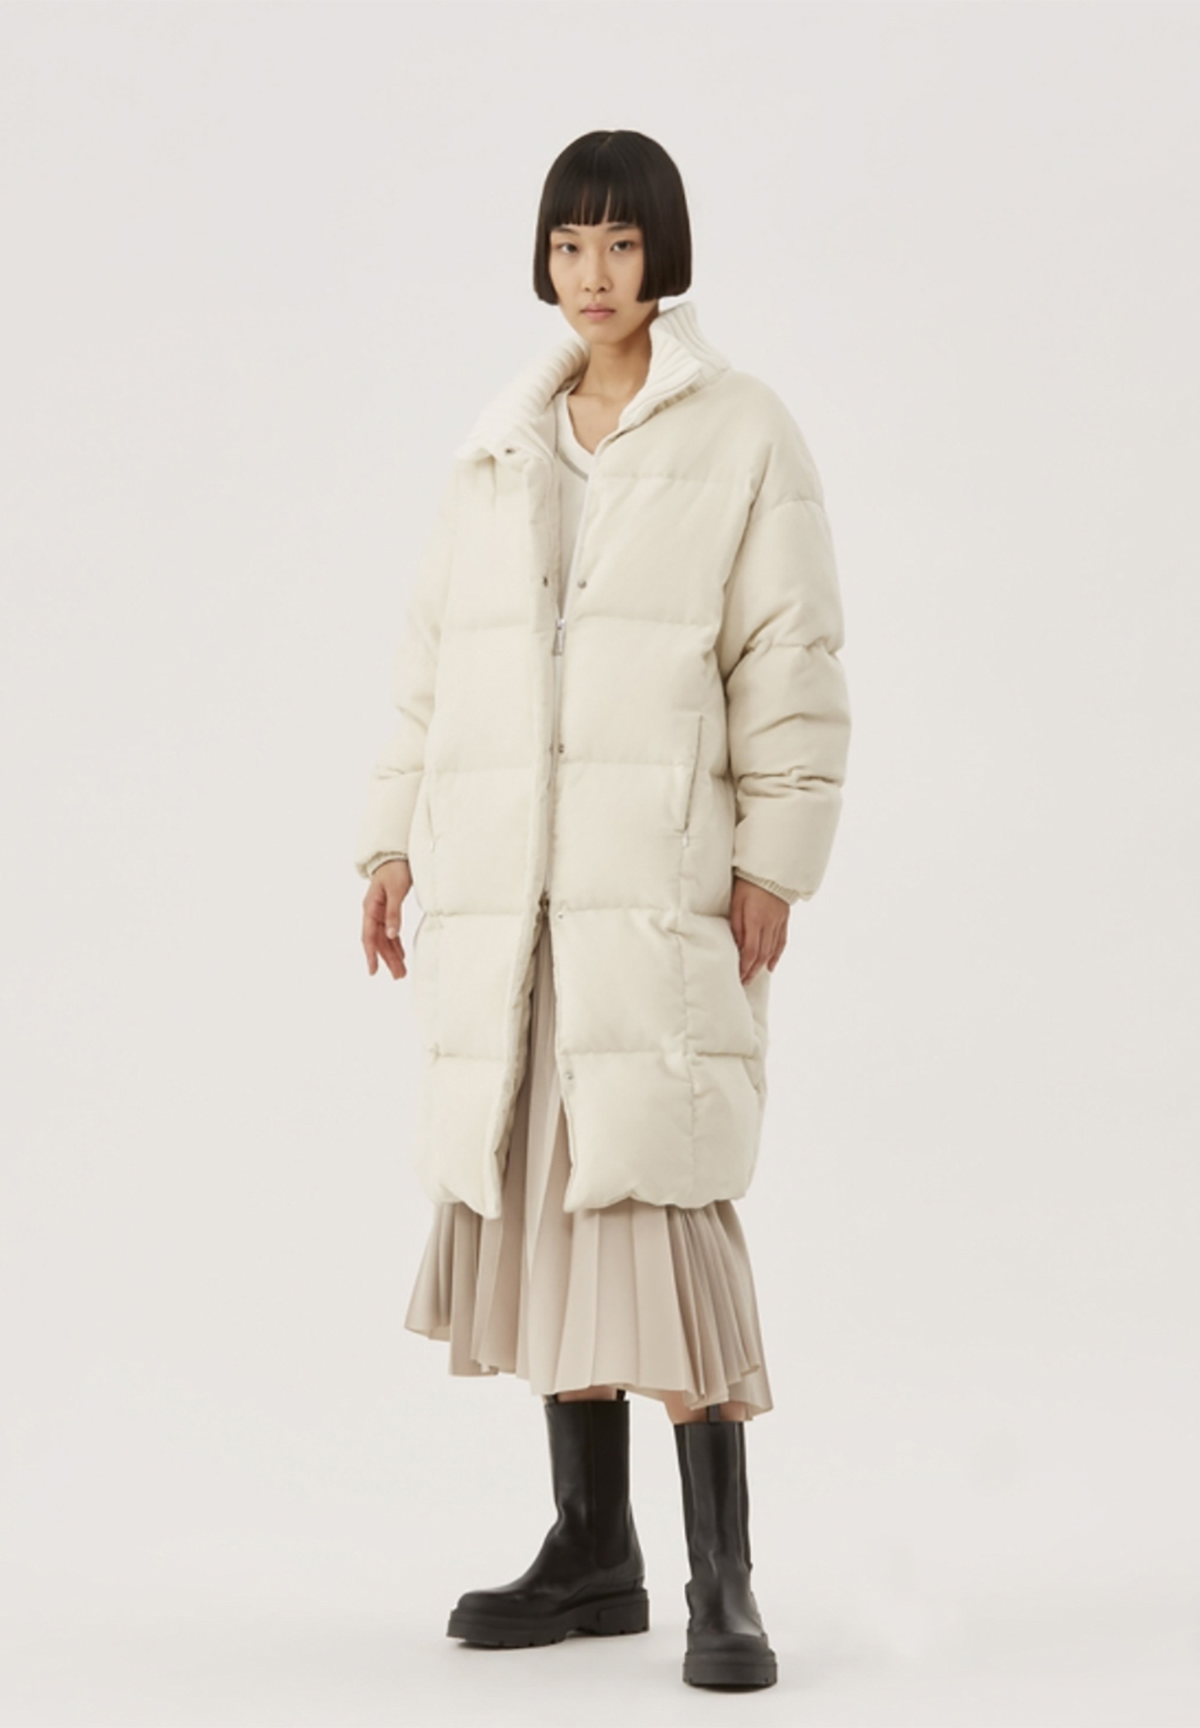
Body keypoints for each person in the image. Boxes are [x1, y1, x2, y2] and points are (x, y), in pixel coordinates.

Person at [354, 129, 851, 1691]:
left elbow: (790, 656)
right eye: (570, 244)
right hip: (514, 903)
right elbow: (433, 663)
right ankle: (591, 1549)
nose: (593, 275)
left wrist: (774, 860)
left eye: (621, 245)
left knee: (665, 1206)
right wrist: (388, 846)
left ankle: (724, 1581)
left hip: (651, 896)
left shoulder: (743, 432)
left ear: (663, 256)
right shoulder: (500, 445)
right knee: (546, 1205)